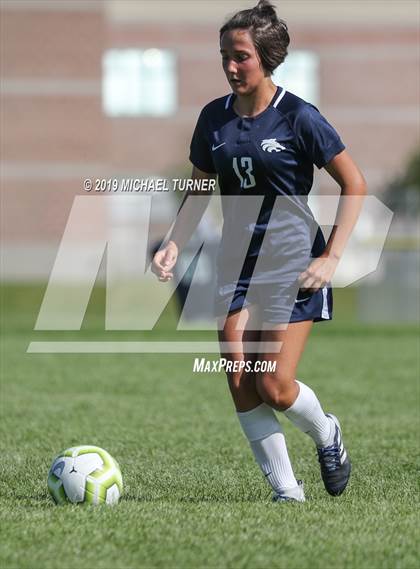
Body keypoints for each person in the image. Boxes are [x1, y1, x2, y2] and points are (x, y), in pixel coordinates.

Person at [152, 0, 366, 502]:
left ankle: (327, 433)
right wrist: (174, 242)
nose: (230, 66)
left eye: (241, 56)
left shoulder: (298, 116)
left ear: (266, 57)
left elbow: (354, 183)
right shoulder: (213, 120)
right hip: (237, 265)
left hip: (294, 265)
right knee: (241, 381)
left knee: (273, 383)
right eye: (225, 55)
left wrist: (331, 256)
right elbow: (201, 187)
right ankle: (286, 492)